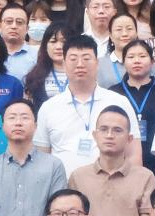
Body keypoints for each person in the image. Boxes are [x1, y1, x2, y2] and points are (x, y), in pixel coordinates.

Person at [34, 35, 140, 174]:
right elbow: (42, 158)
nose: (80, 64)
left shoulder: (119, 102)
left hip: (112, 183)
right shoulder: (49, 107)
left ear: (97, 63)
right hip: (63, 185)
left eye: (86, 58)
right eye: (73, 59)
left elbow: (134, 154)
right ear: (64, 64)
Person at [68, 106, 155, 216]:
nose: (109, 135)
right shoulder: (78, 177)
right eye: (104, 129)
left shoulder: (145, 177)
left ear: (129, 138)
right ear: (95, 135)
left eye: (117, 130)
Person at [110, 39, 155, 175]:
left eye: (142, 56)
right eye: (131, 57)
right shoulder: (113, 93)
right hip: (122, 161)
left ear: (152, 61)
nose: (137, 61)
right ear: (123, 62)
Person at [23, 24, 71, 110]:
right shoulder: (35, 77)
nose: (59, 47)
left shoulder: (82, 73)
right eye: (53, 41)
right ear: (45, 46)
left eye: (64, 41)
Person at [97, 13, 141, 88]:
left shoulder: (148, 62)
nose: (124, 34)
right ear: (110, 35)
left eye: (129, 29)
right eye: (119, 29)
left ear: (136, 33)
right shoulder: (99, 65)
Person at [0, 3, 36, 81]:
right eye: (9, 21)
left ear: (27, 29)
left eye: (19, 22)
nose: (14, 26)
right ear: (0, 26)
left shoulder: (36, 56)